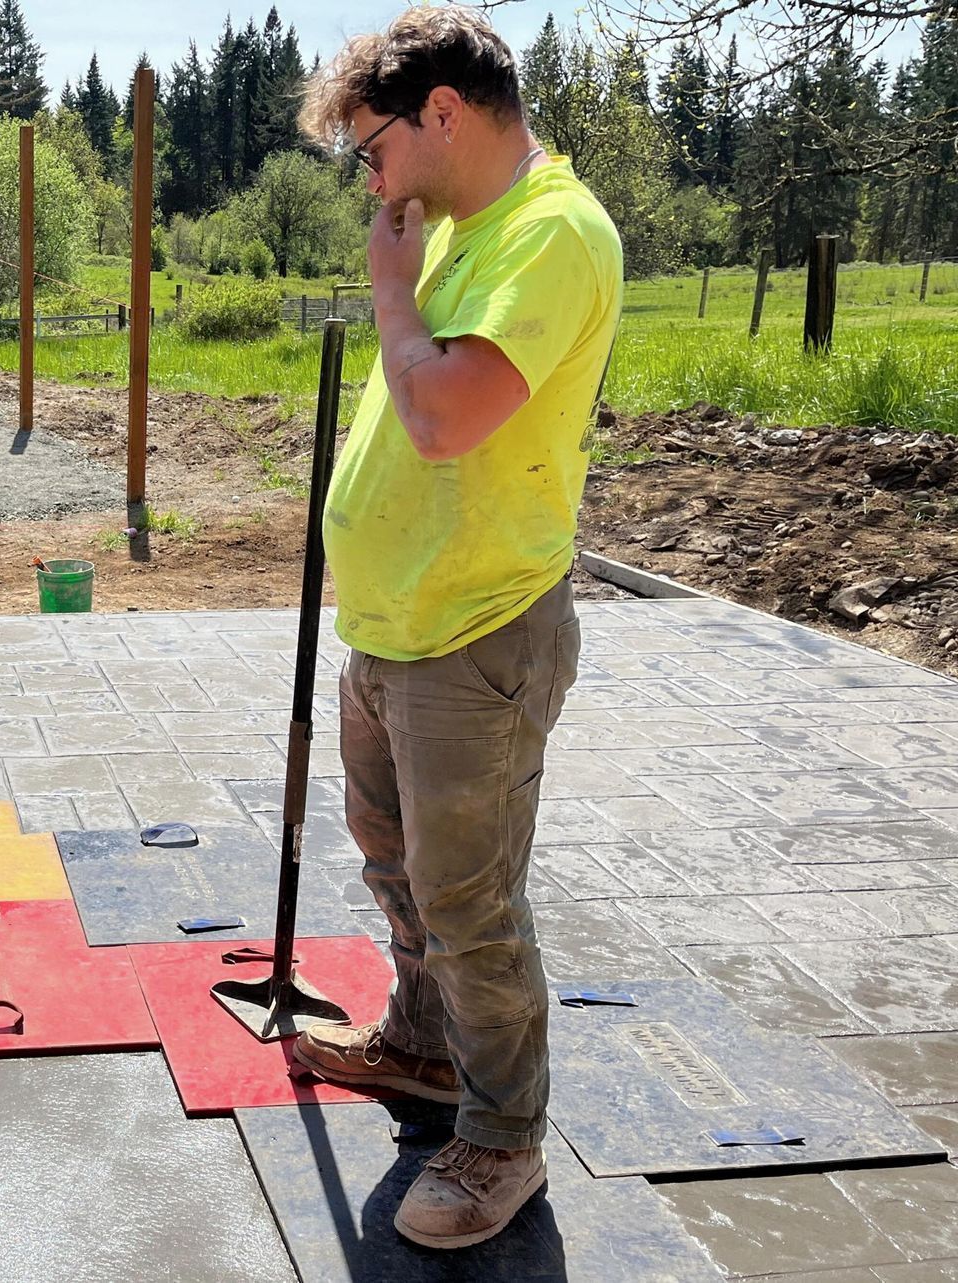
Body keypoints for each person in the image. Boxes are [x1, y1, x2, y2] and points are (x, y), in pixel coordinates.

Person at [289, 6, 623, 1250]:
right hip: (394, 625)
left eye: (369, 144)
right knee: (401, 871)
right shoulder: (458, 230)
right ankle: (426, 1050)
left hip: (476, 631)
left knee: (471, 900)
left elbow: (444, 418)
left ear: (442, 112)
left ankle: (501, 1137)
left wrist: (389, 292)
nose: (364, 175)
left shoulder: (554, 235)